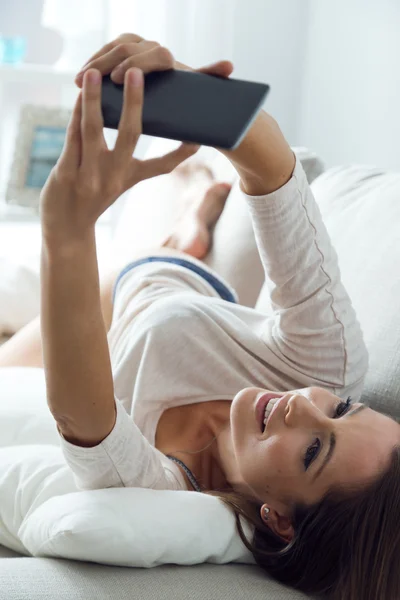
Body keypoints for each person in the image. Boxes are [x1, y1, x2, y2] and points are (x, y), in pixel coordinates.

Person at [1, 32, 400, 600]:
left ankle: (185, 228)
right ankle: (189, 228)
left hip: (108, 321)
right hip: (176, 284)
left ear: (279, 521)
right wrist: (183, 91)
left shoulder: (158, 490)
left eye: (315, 450)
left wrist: (66, 229)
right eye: (343, 408)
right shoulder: (327, 360)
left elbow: (80, 417)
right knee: (166, 254)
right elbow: (274, 174)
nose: (305, 404)